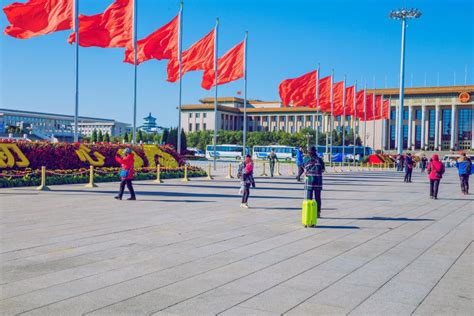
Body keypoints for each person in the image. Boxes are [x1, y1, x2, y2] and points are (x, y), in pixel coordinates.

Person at [303, 146, 325, 218]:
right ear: (315, 151)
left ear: (308, 152)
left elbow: (303, 168)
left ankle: (309, 212)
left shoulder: (306, 159)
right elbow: (323, 170)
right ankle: (318, 213)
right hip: (318, 180)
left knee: (309, 197)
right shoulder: (319, 159)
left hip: (309, 180)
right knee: (318, 197)